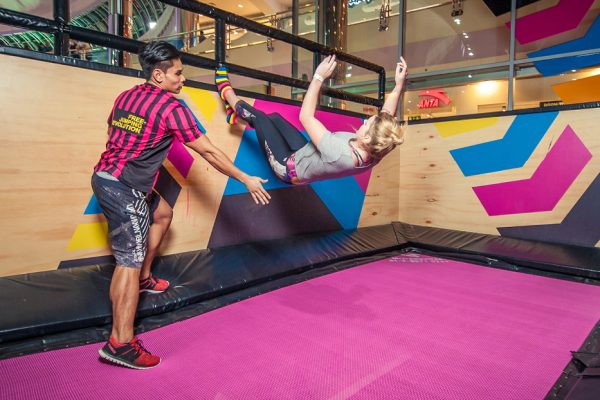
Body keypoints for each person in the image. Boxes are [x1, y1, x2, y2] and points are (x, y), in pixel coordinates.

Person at [92, 41, 270, 370]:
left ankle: (144, 277)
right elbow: (210, 152)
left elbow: (116, 131)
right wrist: (246, 179)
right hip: (123, 187)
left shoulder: (127, 96)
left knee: (162, 213)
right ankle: (120, 344)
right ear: (158, 75)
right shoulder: (171, 107)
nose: (182, 79)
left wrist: (140, 166)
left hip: (107, 177)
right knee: (127, 261)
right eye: (177, 73)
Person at [214, 55, 407, 184]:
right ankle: (236, 116)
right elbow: (386, 116)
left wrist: (318, 77)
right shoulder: (378, 148)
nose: (364, 122)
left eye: (367, 124)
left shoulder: (339, 153)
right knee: (275, 118)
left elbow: (305, 116)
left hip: (285, 168)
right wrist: (398, 86)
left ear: (367, 139)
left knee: (261, 118)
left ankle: (226, 93)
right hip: (303, 153)